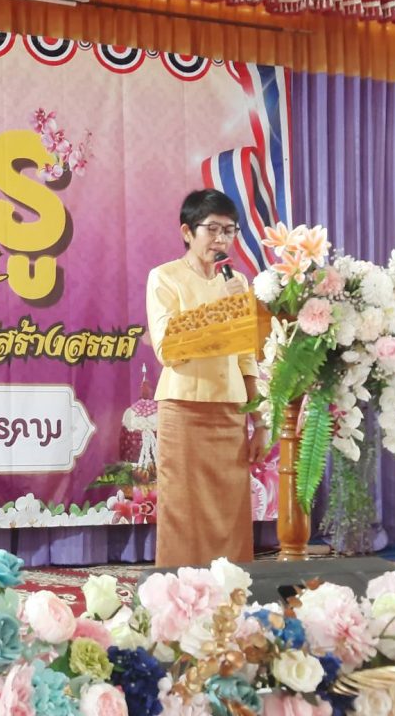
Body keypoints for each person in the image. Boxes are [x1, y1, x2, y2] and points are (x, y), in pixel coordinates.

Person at [146, 188, 267, 567]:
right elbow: (169, 347)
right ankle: (177, 592)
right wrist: (223, 307)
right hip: (184, 408)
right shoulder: (165, 277)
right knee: (183, 509)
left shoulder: (237, 282)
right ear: (187, 231)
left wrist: (260, 421)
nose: (221, 239)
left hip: (230, 410)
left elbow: (246, 357)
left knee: (230, 510)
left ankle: (232, 589)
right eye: (212, 229)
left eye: (229, 231)